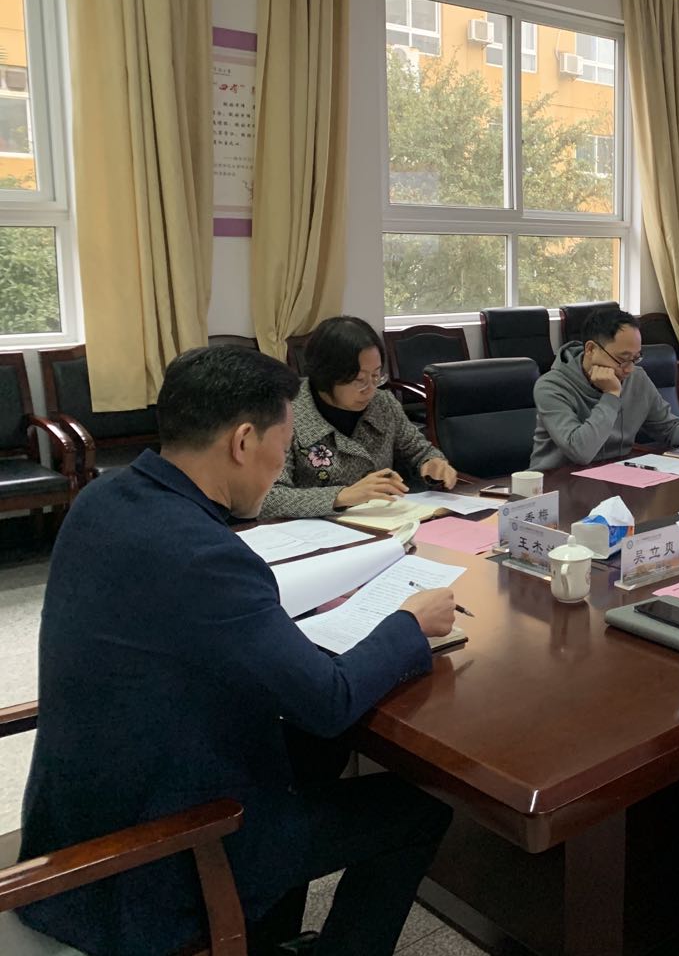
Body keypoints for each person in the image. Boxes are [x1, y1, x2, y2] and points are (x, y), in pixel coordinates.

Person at [18, 345, 457, 955]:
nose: (281, 465)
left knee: (317, 751)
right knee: (415, 809)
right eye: (284, 444)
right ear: (244, 441)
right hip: (156, 857)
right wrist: (409, 622)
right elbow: (328, 701)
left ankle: (267, 938)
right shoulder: (205, 554)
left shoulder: (103, 500)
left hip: (81, 815)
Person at [261, 315, 457, 518]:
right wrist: (342, 496)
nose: (370, 389)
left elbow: (419, 451)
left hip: (383, 523)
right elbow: (268, 498)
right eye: (359, 379)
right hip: (314, 530)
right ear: (326, 376)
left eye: (376, 375)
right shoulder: (284, 414)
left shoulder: (383, 404)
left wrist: (432, 463)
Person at [530, 306, 679, 469]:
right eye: (622, 359)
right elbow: (580, 452)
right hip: (559, 482)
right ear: (591, 349)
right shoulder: (551, 387)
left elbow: (669, 429)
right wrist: (611, 395)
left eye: (635, 358)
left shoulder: (637, 378)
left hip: (616, 475)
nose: (629, 369)